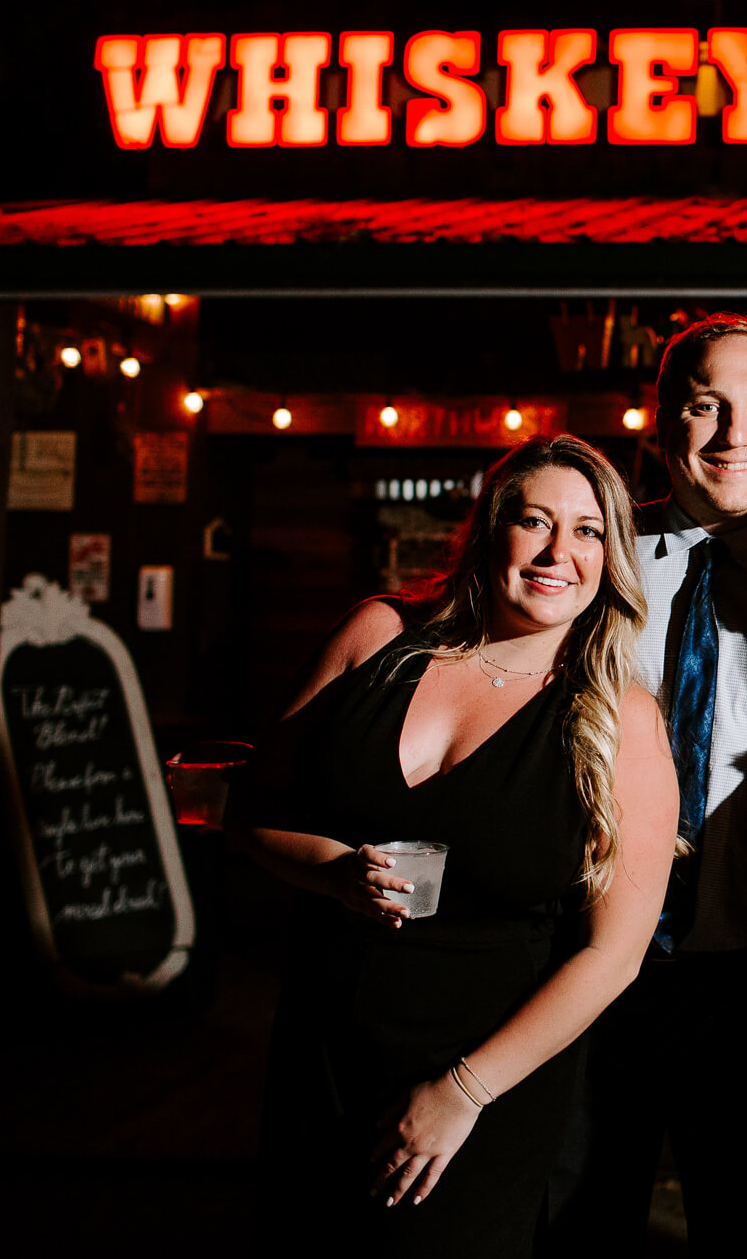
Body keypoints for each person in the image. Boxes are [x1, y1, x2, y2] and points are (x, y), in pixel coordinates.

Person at [237, 434, 679, 1255]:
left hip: (485, 1082)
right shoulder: (376, 637)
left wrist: (463, 1092)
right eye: (535, 521)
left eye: (587, 531)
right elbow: (252, 808)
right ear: (489, 529)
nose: (558, 552)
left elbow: (613, 957)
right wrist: (335, 873)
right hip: (325, 1054)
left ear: (611, 554)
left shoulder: (621, 720)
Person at [549, 313, 747, 1257]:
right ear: (660, 417)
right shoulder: (586, 565)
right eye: (707, 404)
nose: (734, 434)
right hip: (584, 960)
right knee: (577, 1221)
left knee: (741, 1224)